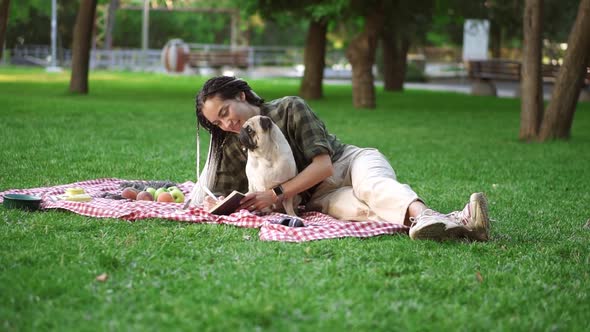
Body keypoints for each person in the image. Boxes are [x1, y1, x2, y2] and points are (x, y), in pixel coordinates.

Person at [187, 76, 490, 242]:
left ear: (240, 96)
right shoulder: (237, 144)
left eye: (225, 113)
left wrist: (276, 193)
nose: (226, 125)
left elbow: (324, 165)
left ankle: (427, 216)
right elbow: (219, 195)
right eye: (218, 123)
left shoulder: (289, 108)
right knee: (364, 211)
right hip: (320, 197)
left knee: (373, 187)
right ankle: (462, 221)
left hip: (348, 163)